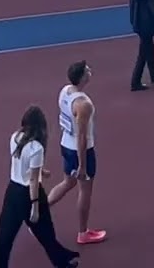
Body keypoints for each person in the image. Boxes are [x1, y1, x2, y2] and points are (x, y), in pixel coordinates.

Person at [0, 107, 80, 268]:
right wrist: (35, 207)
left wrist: (41, 171)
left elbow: (21, 163)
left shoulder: (15, 137)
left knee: (4, 235)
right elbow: (32, 180)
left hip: (12, 191)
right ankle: (62, 262)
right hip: (29, 195)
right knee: (46, 232)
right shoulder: (37, 148)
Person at [47, 61, 106, 245]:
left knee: (67, 182)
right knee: (85, 190)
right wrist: (82, 165)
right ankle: (83, 232)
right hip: (80, 151)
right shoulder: (83, 105)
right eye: (87, 70)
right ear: (82, 77)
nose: (90, 71)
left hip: (66, 144)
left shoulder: (65, 91)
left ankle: (39, 212)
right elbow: (82, 137)